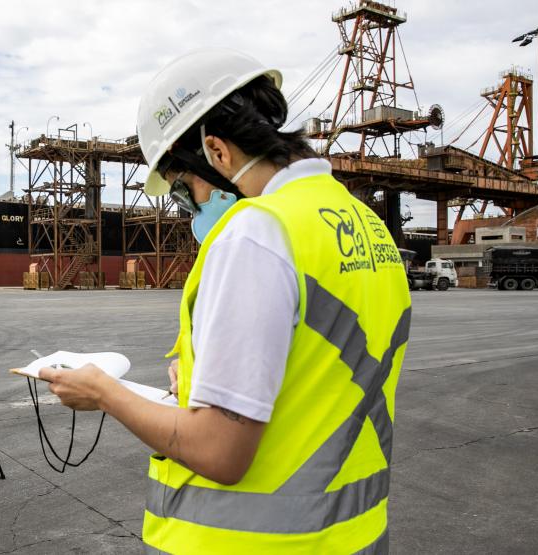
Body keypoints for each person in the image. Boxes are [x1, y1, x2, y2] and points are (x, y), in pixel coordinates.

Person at [40, 48, 411, 554]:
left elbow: (220, 453)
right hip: (352, 535)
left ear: (216, 152)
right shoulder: (364, 225)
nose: (188, 208)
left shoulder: (257, 232)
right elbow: (320, 366)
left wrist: (104, 392)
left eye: (182, 191)